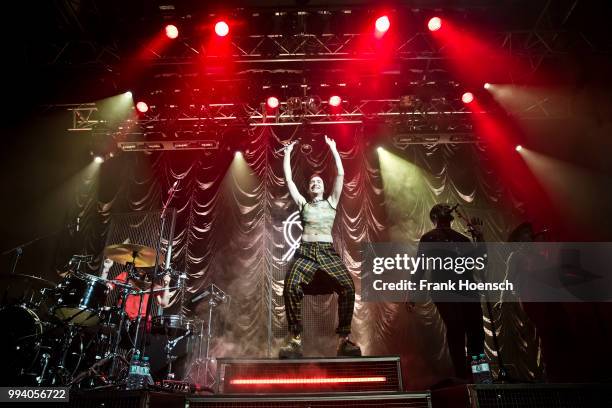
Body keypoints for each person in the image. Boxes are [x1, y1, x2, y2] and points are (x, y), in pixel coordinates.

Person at [279, 135, 361, 358]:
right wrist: (287, 155)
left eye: (319, 182)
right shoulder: (303, 203)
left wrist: (334, 150)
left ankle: (343, 340)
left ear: (324, 188)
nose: (316, 184)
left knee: (348, 287)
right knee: (290, 287)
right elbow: (289, 180)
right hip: (305, 253)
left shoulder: (331, 202)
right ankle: (295, 339)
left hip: (326, 252)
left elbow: (341, 175)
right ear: (309, 187)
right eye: (313, 183)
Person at [411, 203, 486, 381]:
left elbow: (482, 263)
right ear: (435, 217)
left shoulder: (464, 240)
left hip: (468, 289)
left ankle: (480, 376)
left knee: (477, 331)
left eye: (447, 207)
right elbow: (420, 266)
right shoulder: (428, 238)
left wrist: (480, 238)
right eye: (441, 208)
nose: (446, 208)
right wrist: (412, 292)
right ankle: (462, 375)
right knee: (456, 327)